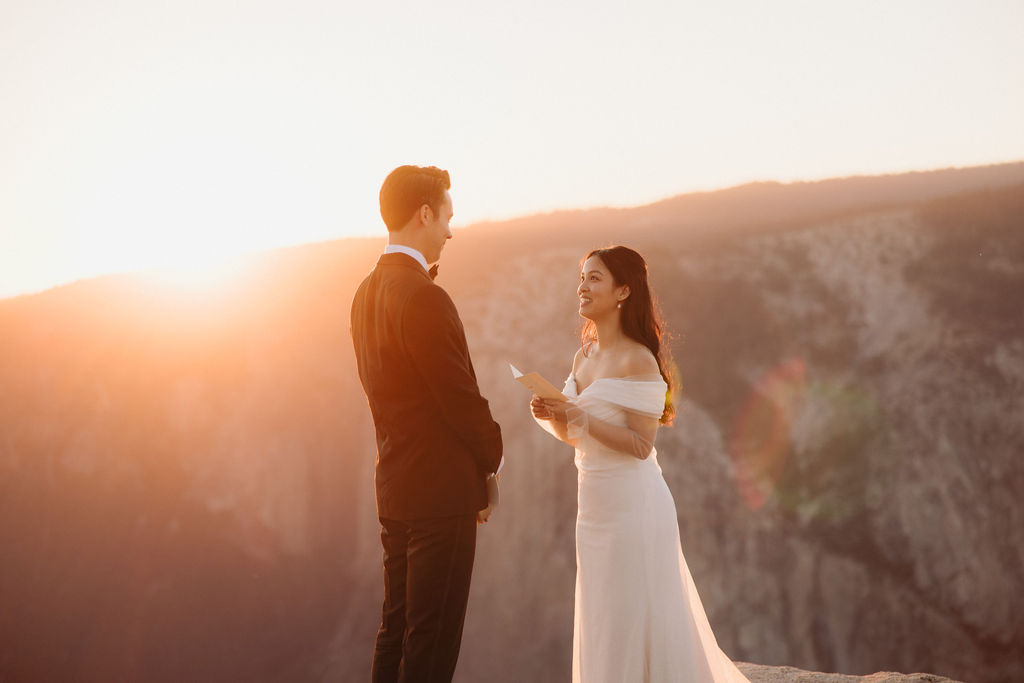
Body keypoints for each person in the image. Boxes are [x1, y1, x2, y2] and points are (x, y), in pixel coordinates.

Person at [531, 245, 749, 683]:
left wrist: (577, 415)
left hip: (634, 508)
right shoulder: (583, 356)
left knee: (635, 617)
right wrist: (551, 416)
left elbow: (639, 445)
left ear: (623, 292)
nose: (583, 286)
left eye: (595, 278)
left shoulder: (639, 359)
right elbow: (577, 436)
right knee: (603, 614)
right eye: (582, 277)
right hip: (593, 509)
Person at [351, 165, 503, 683]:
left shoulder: (363, 294)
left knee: (394, 634)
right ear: (423, 214)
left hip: (394, 489)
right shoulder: (425, 298)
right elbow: (459, 398)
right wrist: (492, 460)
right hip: (441, 497)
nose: (450, 231)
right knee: (431, 645)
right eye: (446, 218)